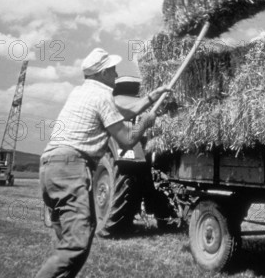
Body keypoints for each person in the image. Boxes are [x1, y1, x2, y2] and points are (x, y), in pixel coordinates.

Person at [35, 48, 171, 278]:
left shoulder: (80, 93)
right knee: (77, 243)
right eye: (112, 69)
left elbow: (124, 112)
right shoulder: (102, 97)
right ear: (102, 73)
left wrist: (151, 98)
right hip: (71, 168)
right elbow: (127, 140)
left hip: (50, 166)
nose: (116, 73)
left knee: (66, 239)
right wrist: (145, 123)